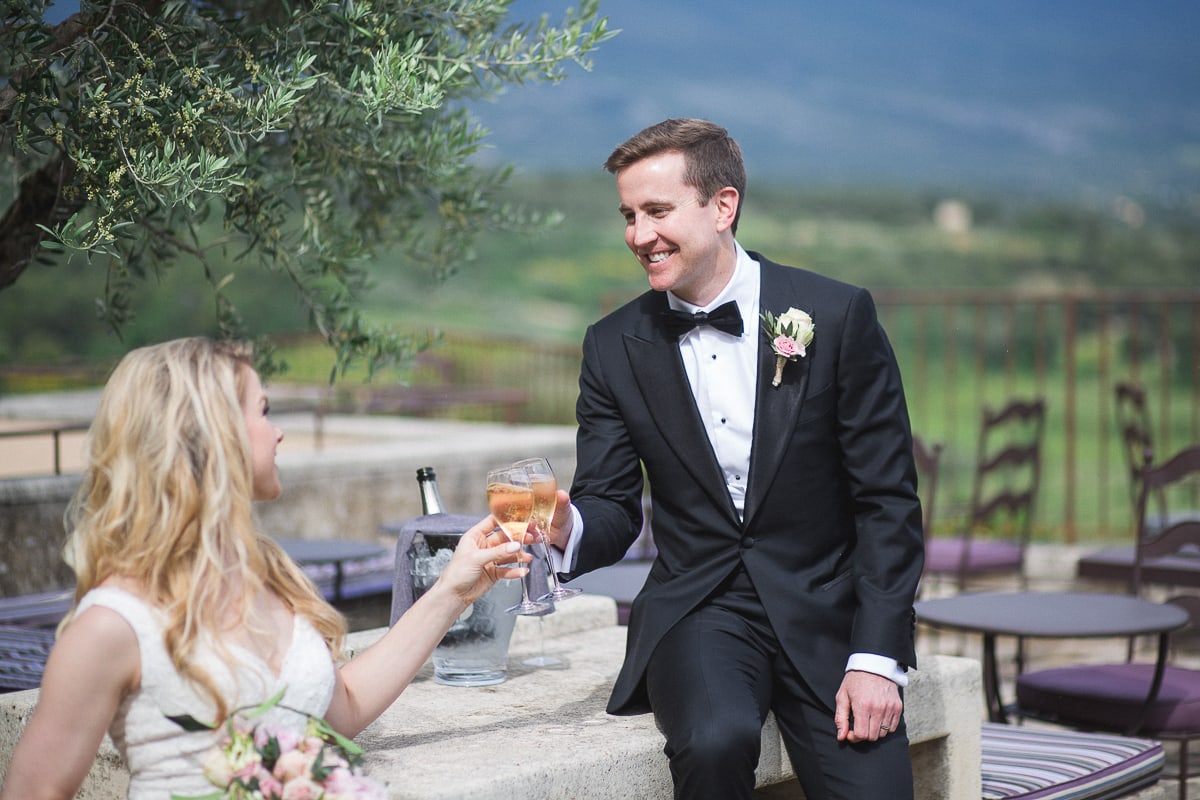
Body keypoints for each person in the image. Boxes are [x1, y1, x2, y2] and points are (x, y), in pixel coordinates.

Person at [545, 118, 924, 800]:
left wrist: (877, 658)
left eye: (657, 212)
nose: (638, 235)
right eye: (628, 216)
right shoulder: (611, 346)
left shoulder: (836, 317)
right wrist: (564, 526)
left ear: (723, 207)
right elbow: (609, 506)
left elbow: (887, 502)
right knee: (714, 742)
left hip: (828, 611)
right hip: (702, 609)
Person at [0, 337, 528, 800]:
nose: (278, 433)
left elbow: (340, 707)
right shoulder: (113, 624)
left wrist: (453, 589)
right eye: (265, 410)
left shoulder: (268, 577)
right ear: (211, 432)